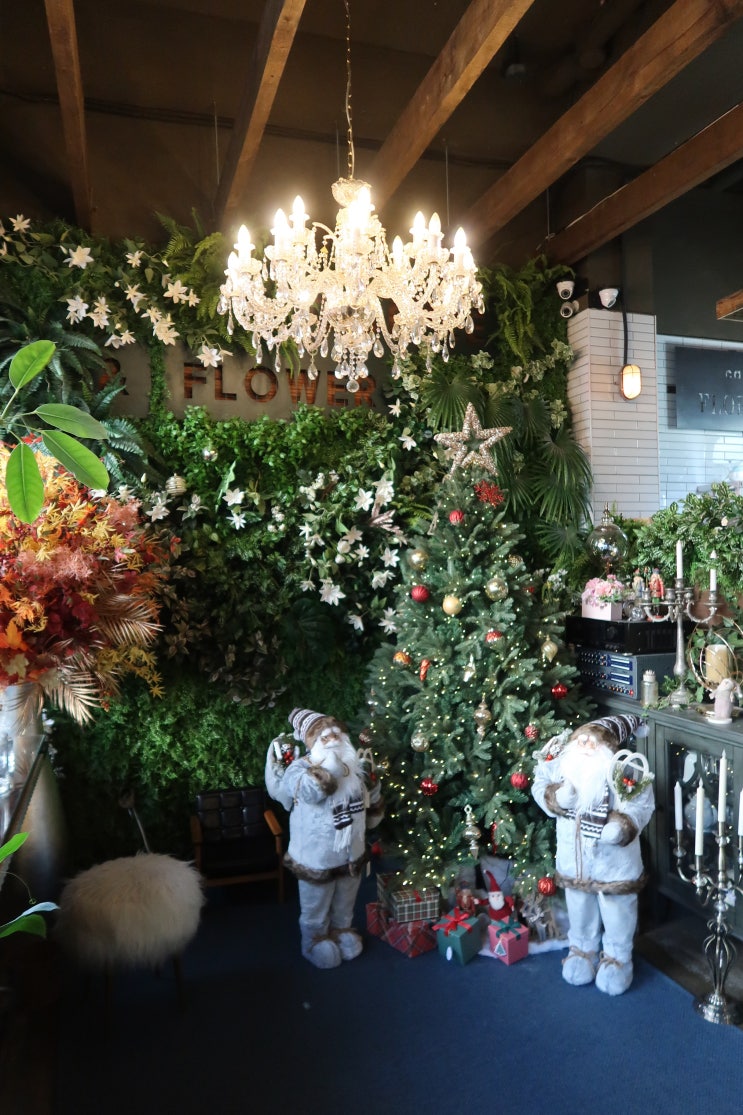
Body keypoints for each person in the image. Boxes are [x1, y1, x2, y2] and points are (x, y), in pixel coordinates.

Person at [531, 713, 654, 995]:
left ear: (608, 748)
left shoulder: (625, 771)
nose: (586, 746)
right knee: (579, 906)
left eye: (593, 742)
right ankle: (582, 951)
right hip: (574, 861)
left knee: (617, 911)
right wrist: (555, 798)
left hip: (615, 865)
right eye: (582, 740)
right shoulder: (562, 765)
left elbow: (641, 803)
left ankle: (617, 959)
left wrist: (621, 827)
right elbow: (539, 781)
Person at [266, 707, 383, 969]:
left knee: (345, 900)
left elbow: (369, 796)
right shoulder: (299, 768)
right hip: (317, 855)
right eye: (324, 736)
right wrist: (328, 771)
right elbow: (308, 792)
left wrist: (375, 799)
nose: (332, 739)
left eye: (336, 733)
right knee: (316, 904)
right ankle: (314, 941)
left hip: (351, 850)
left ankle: (342, 931)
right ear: (311, 741)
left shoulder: (354, 766)